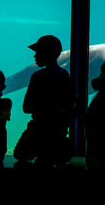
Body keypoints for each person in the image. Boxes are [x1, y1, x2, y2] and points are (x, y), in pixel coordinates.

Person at [13, 35, 72, 168]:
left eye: (37, 52)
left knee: (21, 157)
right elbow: (67, 106)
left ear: (47, 53)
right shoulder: (64, 76)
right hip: (58, 133)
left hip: (37, 131)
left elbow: (26, 107)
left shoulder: (37, 76)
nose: (35, 56)